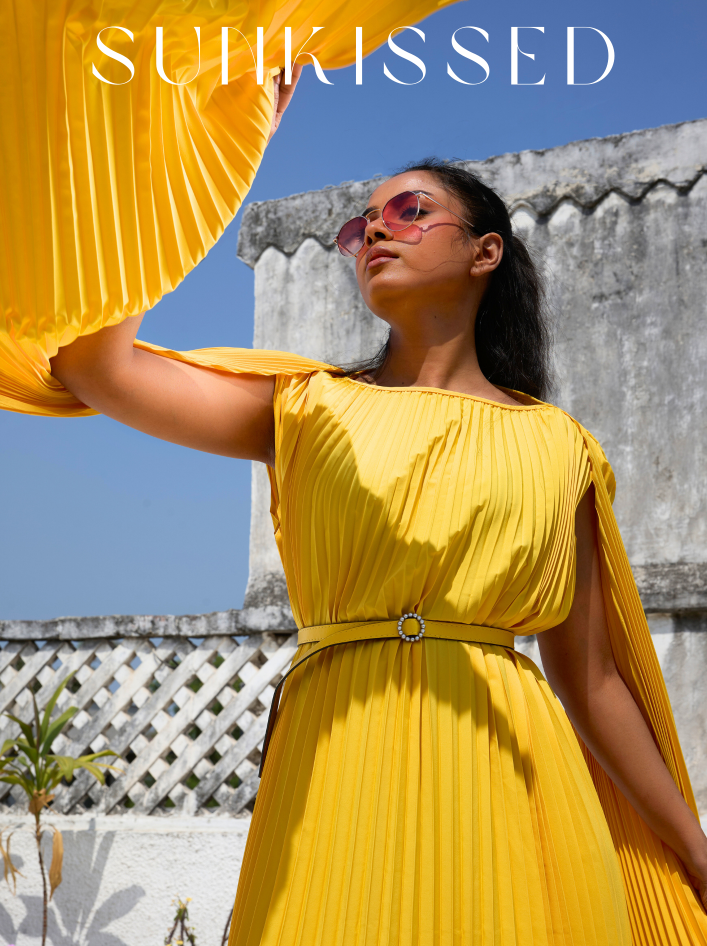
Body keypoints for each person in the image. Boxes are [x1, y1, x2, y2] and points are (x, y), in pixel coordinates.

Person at [49, 133, 707, 941]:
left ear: (485, 252)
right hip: (335, 762)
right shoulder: (304, 409)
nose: (375, 231)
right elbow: (94, 368)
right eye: (360, 226)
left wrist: (693, 850)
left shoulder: (561, 446)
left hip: (511, 776)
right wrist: (167, 156)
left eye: (409, 211)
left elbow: (593, 680)